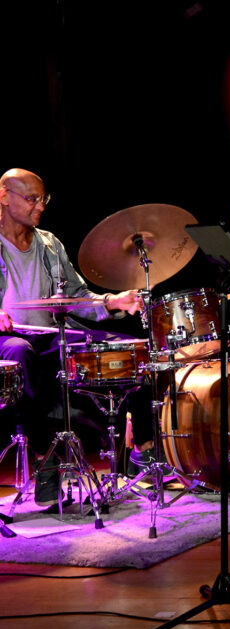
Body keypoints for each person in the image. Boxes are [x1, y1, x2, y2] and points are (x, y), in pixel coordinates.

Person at [0, 168, 142, 505]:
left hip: (49, 334)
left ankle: (142, 450)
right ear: (4, 196)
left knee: (126, 349)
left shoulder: (50, 244)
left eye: (43, 199)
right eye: (32, 199)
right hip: (8, 339)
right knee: (20, 352)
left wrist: (112, 302)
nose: (40, 206)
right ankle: (45, 458)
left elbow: (76, 296)